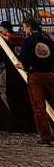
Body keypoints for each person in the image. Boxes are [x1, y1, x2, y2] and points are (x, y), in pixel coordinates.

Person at [0, 20, 34, 133]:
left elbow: (1, 57)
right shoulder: (9, 42)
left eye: (1, 29)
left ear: (5, 29)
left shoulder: (14, 40)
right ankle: (22, 125)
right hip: (15, 74)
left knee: (18, 99)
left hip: (17, 75)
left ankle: (24, 125)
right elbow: (0, 58)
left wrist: (7, 39)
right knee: (18, 99)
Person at [18, 16, 54, 146]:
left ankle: (45, 136)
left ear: (28, 27)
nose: (24, 30)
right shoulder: (48, 40)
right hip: (50, 74)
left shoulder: (28, 41)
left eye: (24, 27)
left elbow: (23, 61)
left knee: (39, 107)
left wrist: (22, 65)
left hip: (35, 76)